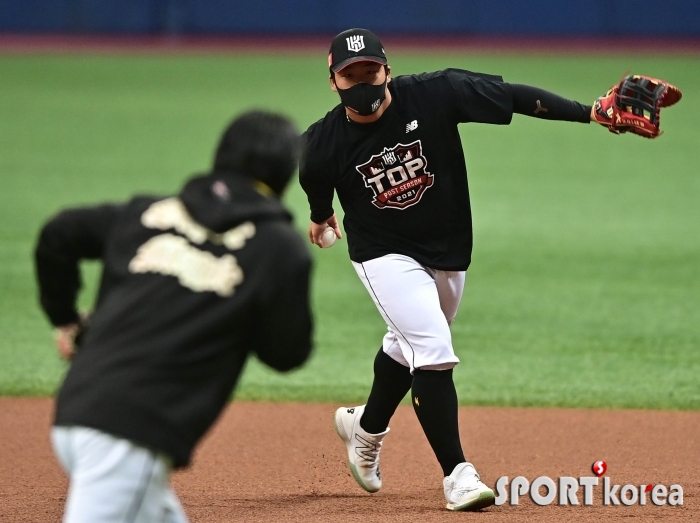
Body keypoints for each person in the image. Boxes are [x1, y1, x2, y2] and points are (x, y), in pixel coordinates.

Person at [299, 28, 601, 512]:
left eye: (370, 72)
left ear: (387, 71)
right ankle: (457, 475)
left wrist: (591, 111)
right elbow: (313, 181)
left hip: (447, 249)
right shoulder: (321, 144)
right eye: (349, 76)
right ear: (332, 82)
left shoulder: (437, 92)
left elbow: (514, 97)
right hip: (382, 255)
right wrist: (320, 215)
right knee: (432, 347)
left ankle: (366, 427)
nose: (362, 83)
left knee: (408, 344)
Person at [35, 110, 313, 523]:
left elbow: (59, 234)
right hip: (131, 435)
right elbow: (286, 353)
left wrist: (67, 320)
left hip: (78, 410)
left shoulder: (149, 213)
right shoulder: (278, 247)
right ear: (286, 175)